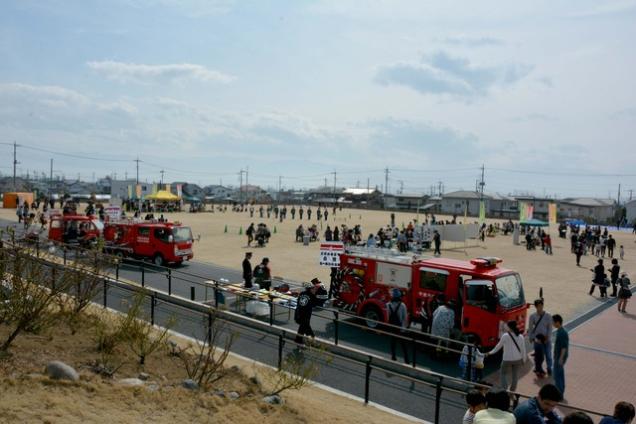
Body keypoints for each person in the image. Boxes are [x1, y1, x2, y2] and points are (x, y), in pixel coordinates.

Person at [485, 320, 526, 393]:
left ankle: (504, 388)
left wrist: (490, 353)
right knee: (515, 376)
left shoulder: (505, 336)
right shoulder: (520, 336)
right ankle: (512, 392)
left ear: (509, 327)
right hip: (518, 359)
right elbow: (523, 349)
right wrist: (524, 359)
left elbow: (498, 347)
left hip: (507, 359)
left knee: (503, 373)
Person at [527, 298, 553, 377]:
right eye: (538, 306)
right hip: (537, 340)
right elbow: (530, 328)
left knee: (548, 355)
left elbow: (550, 328)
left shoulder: (548, 315)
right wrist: (531, 337)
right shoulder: (532, 316)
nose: (540, 308)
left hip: (546, 339)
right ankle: (539, 369)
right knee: (539, 356)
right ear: (535, 307)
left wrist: (547, 338)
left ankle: (549, 368)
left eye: (541, 306)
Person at [387, 288, 409, 363]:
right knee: (403, 344)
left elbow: (388, 316)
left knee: (393, 342)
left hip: (393, 327)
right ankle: (406, 359)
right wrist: (404, 328)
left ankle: (393, 356)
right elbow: (405, 318)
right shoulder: (402, 305)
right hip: (401, 328)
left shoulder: (388, 304)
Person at [552, 314, 569, 396]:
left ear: (557, 322)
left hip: (559, 357)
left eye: (553, 322)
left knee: (557, 375)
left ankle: (559, 393)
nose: (552, 324)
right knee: (559, 374)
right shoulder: (560, 331)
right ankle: (560, 392)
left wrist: (561, 358)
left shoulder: (562, 333)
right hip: (558, 356)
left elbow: (564, 347)